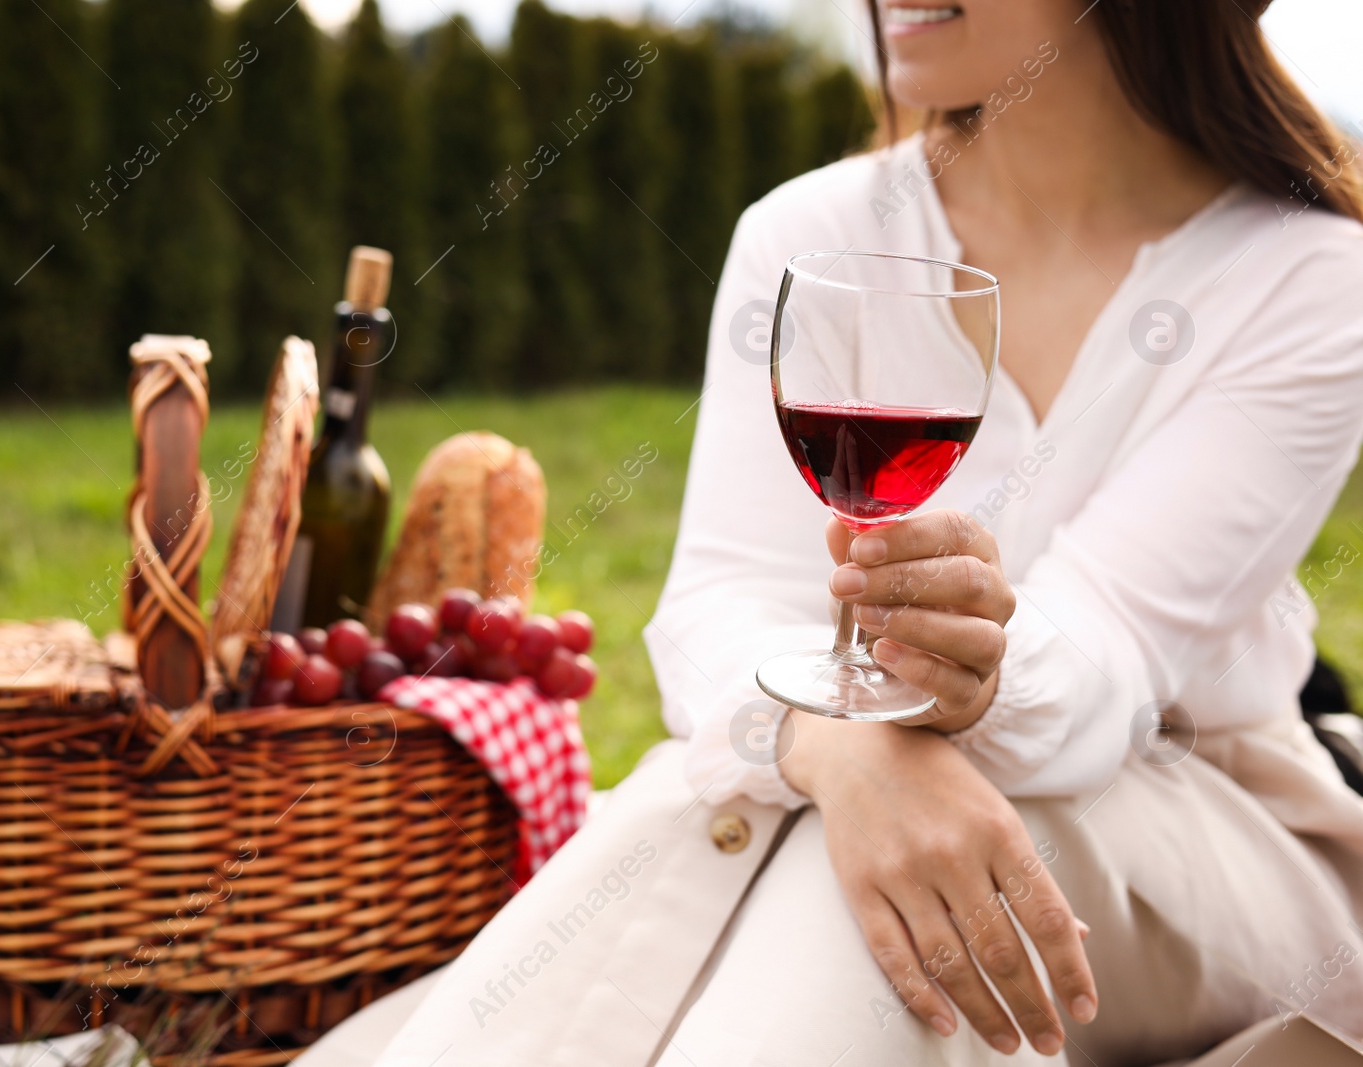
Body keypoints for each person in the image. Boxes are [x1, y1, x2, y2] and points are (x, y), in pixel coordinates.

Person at [303, 1, 1363, 1063]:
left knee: (863, 866)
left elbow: (1108, 654)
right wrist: (843, 751)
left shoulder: (1307, 277)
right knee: (811, 829)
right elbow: (721, 598)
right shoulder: (808, 234)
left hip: (1190, 811)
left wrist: (969, 680)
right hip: (833, 773)